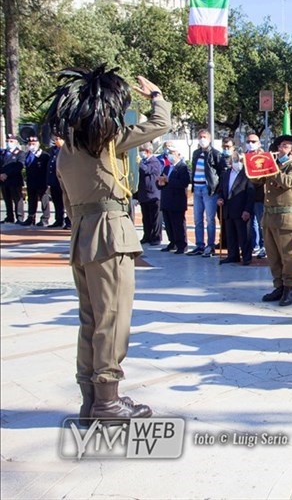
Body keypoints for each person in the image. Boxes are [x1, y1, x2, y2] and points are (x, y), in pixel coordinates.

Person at [47, 66, 170, 423]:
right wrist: (157, 97)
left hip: (82, 236)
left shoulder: (67, 151)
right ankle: (108, 401)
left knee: (90, 321)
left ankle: (90, 400)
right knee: (112, 319)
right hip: (109, 235)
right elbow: (159, 124)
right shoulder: (105, 140)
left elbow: (69, 203)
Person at [259, 135, 292, 307]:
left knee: (288, 257)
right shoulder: (275, 167)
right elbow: (256, 181)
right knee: (273, 256)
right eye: (280, 145)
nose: (280, 148)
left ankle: (289, 288)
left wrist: (272, 168)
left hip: (287, 218)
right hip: (270, 217)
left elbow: (287, 182)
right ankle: (278, 285)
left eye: (285, 146)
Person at [188, 129, 226, 257]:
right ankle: (199, 245)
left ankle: (210, 245)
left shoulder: (215, 154)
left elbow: (222, 171)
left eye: (204, 137)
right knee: (197, 219)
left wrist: (218, 189)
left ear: (209, 139)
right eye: (200, 136)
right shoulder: (196, 153)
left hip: (209, 189)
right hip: (197, 189)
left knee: (210, 219)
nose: (202, 139)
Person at [216, 150, 254, 265]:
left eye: (238, 160)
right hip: (228, 209)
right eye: (234, 160)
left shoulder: (247, 174)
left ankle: (247, 257)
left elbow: (250, 194)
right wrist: (220, 198)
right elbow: (221, 189)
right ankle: (233, 255)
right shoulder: (226, 174)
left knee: (244, 235)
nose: (236, 162)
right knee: (230, 234)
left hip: (241, 209)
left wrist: (247, 210)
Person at [157, 147, 190, 254]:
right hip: (166, 199)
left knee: (178, 224)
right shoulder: (167, 167)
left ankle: (182, 245)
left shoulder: (183, 167)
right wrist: (160, 183)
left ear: (178, 154)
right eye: (169, 153)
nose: (170, 155)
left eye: (172, 153)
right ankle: (172, 242)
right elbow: (162, 181)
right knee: (168, 223)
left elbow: (184, 183)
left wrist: (168, 180)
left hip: (177, 200)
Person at [244, 133, 266, 258]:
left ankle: (263, 246)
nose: (250, 143)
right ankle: (254, 245)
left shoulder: (262, 157)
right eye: (248, 141)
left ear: (259, 143)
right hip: (245, 195)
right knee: (250, 223)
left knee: (261, 221)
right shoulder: (243, 156)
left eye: (253, 141)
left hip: (258, 195)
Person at [136, 142, 163, 245]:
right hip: (144, 194)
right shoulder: (144, 161)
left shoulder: (155, 161)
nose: (141, 154)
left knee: (155, 218)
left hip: (154, 194)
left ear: (147, 151)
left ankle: (156, 238)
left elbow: (146, 170)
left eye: (141, 151)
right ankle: (147, 236)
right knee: (146, 218)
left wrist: (139, 163)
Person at [21, 136, 50, 226]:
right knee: (32, 200)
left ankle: (45, 218)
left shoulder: (44, 155)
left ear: (38, 144)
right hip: (31, 182)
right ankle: (31, 217)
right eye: (29, 144)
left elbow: (48, 169)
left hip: (42, 182)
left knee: (44, 201)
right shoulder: (27, 155)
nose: (31, 146)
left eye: (33, 144)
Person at [46, 134, 71, 229]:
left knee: (67, 201)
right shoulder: (53, 150)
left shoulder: (67, 150)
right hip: (54, 181)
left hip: (64, 181)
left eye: (59, 139)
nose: (57, 140)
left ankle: (69, 221)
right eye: (56, 139)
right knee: (57, 202)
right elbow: (50, 167)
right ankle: (58, 220)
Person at [1, 135, 26, 224]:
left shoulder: (20, 153)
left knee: (17, 199)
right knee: (7, 199)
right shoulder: (3, 153)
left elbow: (19, 166)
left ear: (15, 142)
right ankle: (9, 217)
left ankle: (19, 217)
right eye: (8, 141)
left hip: (14, 180)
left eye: (11, 141)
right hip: (3, 180)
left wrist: (6, 174)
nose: (9, 143)